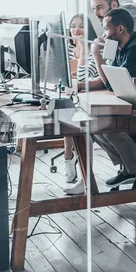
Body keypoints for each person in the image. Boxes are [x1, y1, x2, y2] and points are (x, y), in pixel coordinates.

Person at [72, 8, 136, 193]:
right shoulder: (121, 46)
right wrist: (78, 86)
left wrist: (96, 53)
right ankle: (131, 169)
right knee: (94, 125)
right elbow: (108, 79)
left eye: (106, 28)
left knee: (109, 126)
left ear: (120, 29)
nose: (103, 34)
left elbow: (110, 83)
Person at [62, 14, 99, 191]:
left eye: (81, 26)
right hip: (75, 97)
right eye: (73, 25)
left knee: (74, 118)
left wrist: (84, 48)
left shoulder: (94, 50)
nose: (76, 30)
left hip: (93, 99)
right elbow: (64, 75)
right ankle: (68, 157)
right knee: (63, 111)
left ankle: (85, 176)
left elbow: (82, 79)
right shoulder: (68, 49)